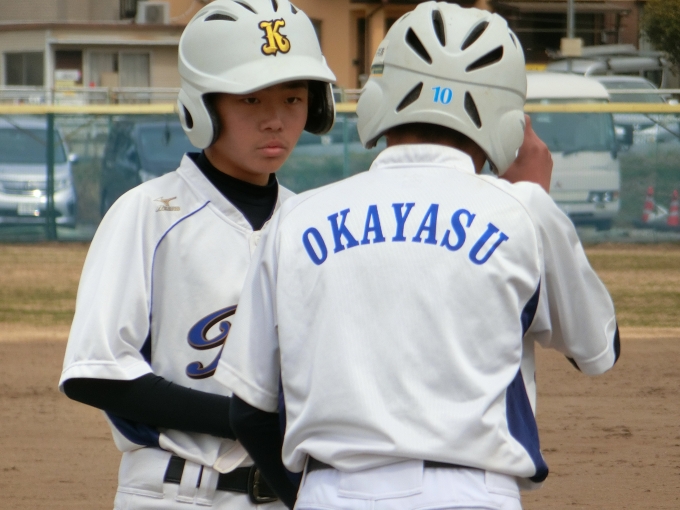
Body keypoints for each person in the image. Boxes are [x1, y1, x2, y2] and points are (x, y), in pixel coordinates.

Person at [214, 3, 620, 510]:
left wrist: (310, 497)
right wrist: (536, 199)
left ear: (379, 101)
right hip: (471, 492)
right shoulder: (524, 210)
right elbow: (596, 351)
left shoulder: (296, 218)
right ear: (511, 124)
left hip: (331, 490)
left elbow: (249, 411)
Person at [58, 0, 335, 508]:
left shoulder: (312, 223)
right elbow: (97, 371)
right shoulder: (149, 212)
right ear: (204, 106)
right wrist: (246, 420)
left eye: (294, 98)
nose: (276, 120)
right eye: (251, 99)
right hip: (176, 491)